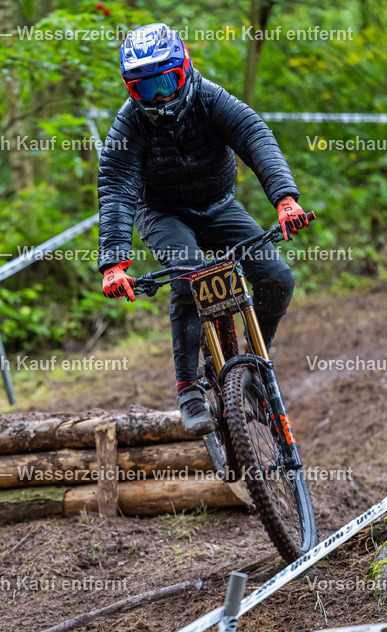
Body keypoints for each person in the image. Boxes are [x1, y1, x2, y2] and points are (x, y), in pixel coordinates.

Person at [97, 22, 310, 431]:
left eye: (165, 82)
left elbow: (254, 136)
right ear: (130, 89)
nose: (159, 97)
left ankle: (255, 359)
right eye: (145, 88)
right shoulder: (129, 126)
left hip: (219, 206)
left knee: (277, 277)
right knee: (189, 276)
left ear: (184, 69)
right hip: (162, 214)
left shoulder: (210, 98)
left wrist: (285, 199)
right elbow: (116, 189)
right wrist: (114, 263)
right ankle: (188, 388)